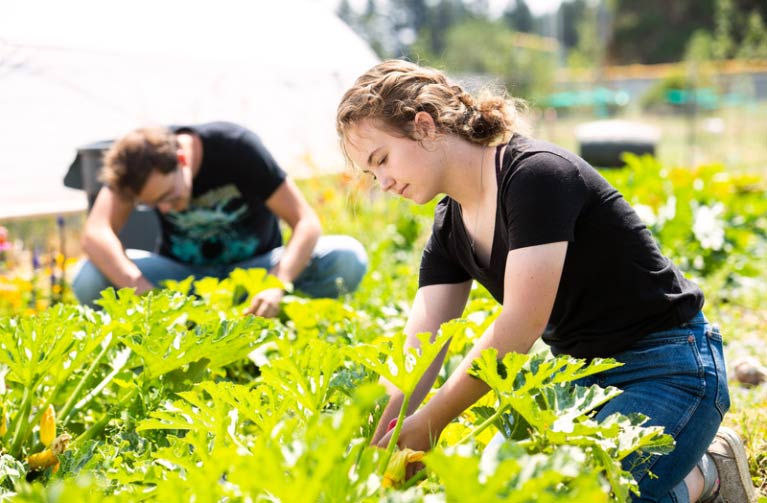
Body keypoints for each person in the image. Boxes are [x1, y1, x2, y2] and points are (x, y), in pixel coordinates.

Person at [336, 60, 757, 503]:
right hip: (582, 387)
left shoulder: (535, 175)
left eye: (381, 159)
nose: (381, 182)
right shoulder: (448, 227)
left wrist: (429, 422)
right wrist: (371, 436)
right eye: (371, 172)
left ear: (424, 126)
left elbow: (520, 324)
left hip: (670, 368)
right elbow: (419, 348)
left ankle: (708, 471)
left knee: (586, 495)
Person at [72, 121, 367, 317]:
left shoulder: (236, 147)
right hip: (182, 282)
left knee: (347, 257)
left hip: (256, 274)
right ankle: (186, 325)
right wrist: (139, 288)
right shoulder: (137, 167)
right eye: (153, 205)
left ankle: (274, 314)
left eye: (170, 196)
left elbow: (306, 222)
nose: (166, 209)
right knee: (87, 278)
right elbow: (95, 233)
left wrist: (278, 282)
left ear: (182, 159)